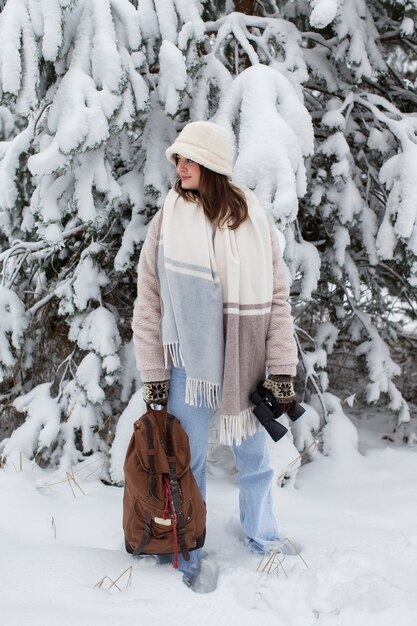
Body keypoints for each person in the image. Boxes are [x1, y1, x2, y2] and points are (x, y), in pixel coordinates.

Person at [132, 120, 298, 586]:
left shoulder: (253, 217)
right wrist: (155, 372)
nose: (179, 167)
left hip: (244, 362)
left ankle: (263, 540)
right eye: (177, 160)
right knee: (188, 463)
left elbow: (278, 298)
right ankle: (188, 550)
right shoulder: (168, 218)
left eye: (188, 159)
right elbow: (150, 300)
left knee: (255, 460)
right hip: (190, 363)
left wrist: (281, 367)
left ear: (212, 165)